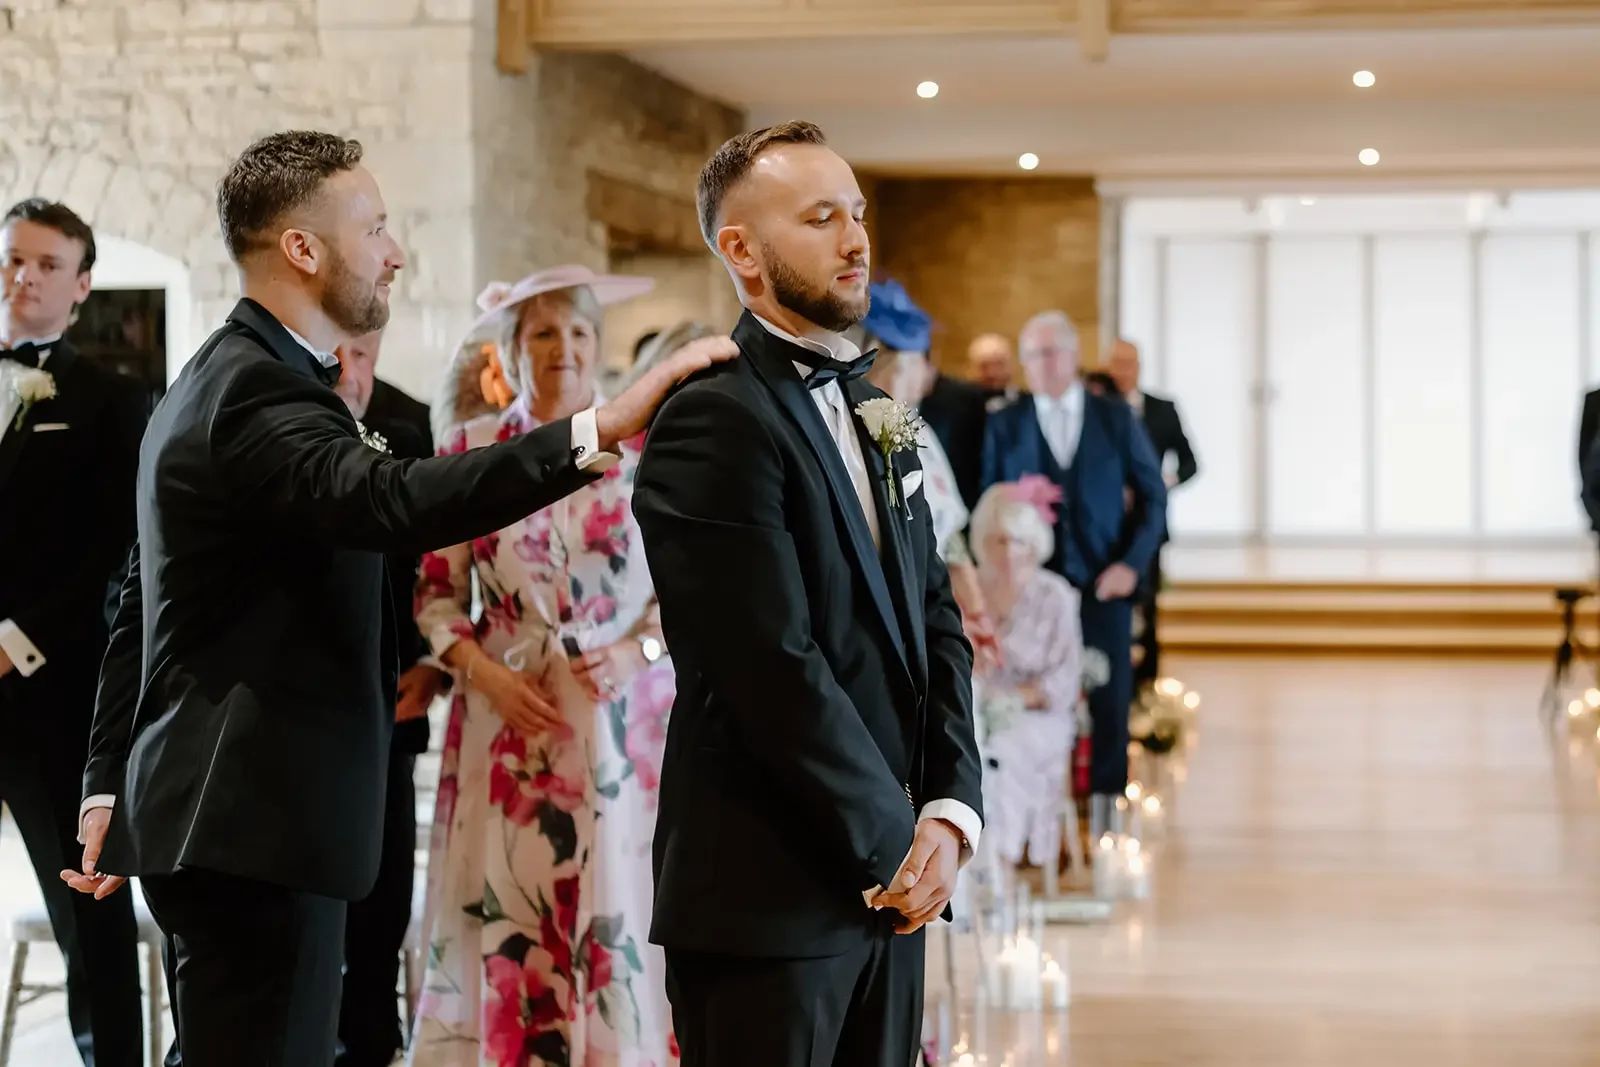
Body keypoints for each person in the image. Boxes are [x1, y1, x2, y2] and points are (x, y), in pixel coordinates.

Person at [62, 130, 734, 1067]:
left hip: (236, 821)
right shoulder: (258, 394)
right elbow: (392, 499)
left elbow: (144, 598)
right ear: (303, 248)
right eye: (374, 226)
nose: (394, 249)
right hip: (253, 826)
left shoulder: (231, 376)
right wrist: (598, 428)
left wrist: (104, 776)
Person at [632, 120, 984, 1067]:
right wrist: (894, 850)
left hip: (894, 895)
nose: (856, 240)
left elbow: (935, 620)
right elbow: (766, 667)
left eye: (858, 215)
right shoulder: (712, 418)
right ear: (741, 251)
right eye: (822, 217)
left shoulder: (879, 411)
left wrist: (950, 809)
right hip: (767, 903)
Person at [410, 266, 701, 1067]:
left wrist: (639, 647)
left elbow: (694, 592)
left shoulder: (646, 453)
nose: (563, 349)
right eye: (543, 332)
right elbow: (435, 599)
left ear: (600, 348)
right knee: (513, 912)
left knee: (623, 906)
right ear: (510, 349)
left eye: (577, 333)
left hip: (623, 726)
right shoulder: (468, 452)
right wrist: (481, 672)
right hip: (508, 732)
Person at [0, 198, 147, 1067]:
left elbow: (113, 553)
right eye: (14, 258)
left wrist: (14, 639)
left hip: (52, 695)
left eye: (48, 264)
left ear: (83, 284)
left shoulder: (111, 401)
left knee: (87, 921)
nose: (24, 275)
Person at [980, 310, 1164, 840]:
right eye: (1032, 355)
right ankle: (1031, 825)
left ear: (1072, 355)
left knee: (1109, 699)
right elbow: (992, 505)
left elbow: (1154, 496)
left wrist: (1131, 566)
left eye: (1052, 352)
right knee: (1031, 696)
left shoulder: (1114, 417)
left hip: (1102, 585)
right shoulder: (1005, 423)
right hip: (1032, 594)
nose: (1042, 364)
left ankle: (1106, 822)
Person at [328, 328, 446, 1067]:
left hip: (390, 717)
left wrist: (433, 663)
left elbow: (434, 564)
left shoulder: (411, 424)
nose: (348, 372)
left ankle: (374, 1049)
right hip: (294, 728)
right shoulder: (266, 421)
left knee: (377, 919)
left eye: (361, 354)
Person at [968, 479, 1082, 869]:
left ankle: (999, 861)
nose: (1009, 552)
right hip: (974, 708)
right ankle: (966, 873)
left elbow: (1064, 682)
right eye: (999, 540)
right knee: (969, 750)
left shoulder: (1056, 597)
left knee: (1001, 753)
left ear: (1035, 544)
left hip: (1037, 716)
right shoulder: (967, 592)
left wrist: (1014, 700)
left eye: (1019, 541)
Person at [1106, 339, 1195, 689]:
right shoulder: (1098, 409)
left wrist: (1163, 483)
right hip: (1108, 524)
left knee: (1148, 605)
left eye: (1130, 363)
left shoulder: (1162, 409)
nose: (1123, 371)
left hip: (1148, 522)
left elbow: (1190, 462)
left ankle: (1149, 684)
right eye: (1117, 363)